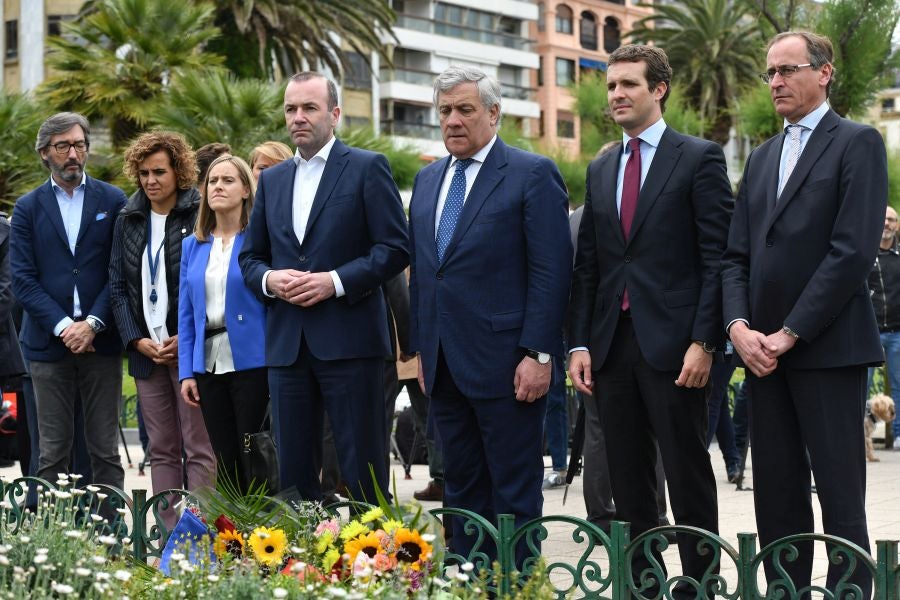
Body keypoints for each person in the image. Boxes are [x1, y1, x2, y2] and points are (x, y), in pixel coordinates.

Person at [722, 30, 887, 595]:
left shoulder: (857, 143)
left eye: (787, 70)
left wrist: (790, 332)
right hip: (762, 356)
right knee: (776, 494)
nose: (775, 82)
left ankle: (849, 593)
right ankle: (785, 590)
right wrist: (738, 329)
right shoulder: (763, 157)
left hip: (827, 350)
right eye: (769, 72)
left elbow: (851, 252)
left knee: (841, 495)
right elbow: (736, 256)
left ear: (824, 72)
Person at [567, 44, 732, 597]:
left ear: (658, 89)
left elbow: (717, 259)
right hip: (613, 347)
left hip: (677, 348)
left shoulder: (699, 158)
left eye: (628, 85)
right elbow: (589, 264)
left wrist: (706, 341)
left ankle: (702, 584)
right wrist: (579, 345)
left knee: (687, 473)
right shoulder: (601, 165)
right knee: (627, 478)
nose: (616, 94)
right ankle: (642, 583)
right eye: (612, 85)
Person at [407, 65, 571, 565]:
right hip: (443, 366)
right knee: (459, 491)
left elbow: (551, 272)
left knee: (514, 494)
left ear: (494, 113)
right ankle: (468, 582)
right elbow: (426, 272)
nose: (453, 120)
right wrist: (420, 350)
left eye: (465, 109)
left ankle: (519, 587)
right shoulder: (428, 178)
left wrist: (539, 353)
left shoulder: (531, 173)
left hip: (509, 367)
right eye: (445, 111)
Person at [239, 71, 409, 504]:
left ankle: (376, 565)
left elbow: (394, 248)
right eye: (291, 109)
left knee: (363, 470)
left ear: (334, 114)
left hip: (351, 343)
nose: (298, 117)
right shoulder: (273, 181)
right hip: (287, 347)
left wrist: (334, 282)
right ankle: (299, 564)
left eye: (309, 108)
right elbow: (250, 257)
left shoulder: (368, 168)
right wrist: (270, 279)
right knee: (293, 477)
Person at [9, 112, 126, 489]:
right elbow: (22, 280)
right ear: (45, 153)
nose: (73, 153)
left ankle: (113, 538)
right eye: (63, 146)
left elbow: (119, 272)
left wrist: (91, 324)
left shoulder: (113, 199)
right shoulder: (27, 207)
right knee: (51, 450)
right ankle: (55, 538)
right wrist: (65, 328)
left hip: (101, 341)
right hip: (47, 344)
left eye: (79, 144)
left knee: (104, 450)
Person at [110, 131, 215, 524]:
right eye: (143, 173)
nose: (150, 181)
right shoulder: (127, 217)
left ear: (178, 170)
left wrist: (184, 339)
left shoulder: (198, 212)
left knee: (199, 447)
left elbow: (205, 281)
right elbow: (117, 286)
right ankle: (170, 537)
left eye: (159, 172)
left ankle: (200, 535)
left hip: (187, 352)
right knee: (163, 449)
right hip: (146, 355)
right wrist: (135, 340)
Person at [179, 154, 269, 492]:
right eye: (212, 180)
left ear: (246, 189)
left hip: (254, 362)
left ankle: (261, 534)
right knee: (225, 457)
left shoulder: (261, 241)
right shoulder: (193, 245)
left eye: (227, 180)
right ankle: (231, 538)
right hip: (208, 367)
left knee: (253, 453)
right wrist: (187, 372)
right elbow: (186, 315)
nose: (218, 186)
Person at [868, 206, 900, 449]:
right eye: (884, 219)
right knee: (862, 384)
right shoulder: (868, 254)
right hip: (871, 331)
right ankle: (860, 434)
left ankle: (898, 435)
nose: (887, 223)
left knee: (899, 383)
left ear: (897, 225)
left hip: (897, 331)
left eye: (891, 219)